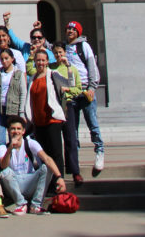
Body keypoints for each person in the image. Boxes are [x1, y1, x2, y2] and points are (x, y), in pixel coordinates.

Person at [0, 116, 65, 215]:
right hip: (14, 184)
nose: (16, 131)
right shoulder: (3, 148)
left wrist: (59, 177)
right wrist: (10, 148)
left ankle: (36, 205)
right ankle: (21, 204)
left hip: (30, 181)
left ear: (23, 131)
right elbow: (3, 165)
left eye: (18, 129)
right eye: (13, 129)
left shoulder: (30, 143)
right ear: (8, 131)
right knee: (5, 172)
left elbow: (47, 159)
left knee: (46, 168)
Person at [64, 20, 105, 175]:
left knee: (92, 123)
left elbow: (92, 66)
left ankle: (99, 151)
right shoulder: (64, 47)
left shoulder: (84, 46)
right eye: (68, 29)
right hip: (72, 93)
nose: (70, 31)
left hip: (85, 91)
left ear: (78, 32)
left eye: (73, 30)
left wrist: (92, 87)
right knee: (72, 129)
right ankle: (76, 158)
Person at [25, 49, 66, 182]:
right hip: (38, 122)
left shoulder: (53, 75)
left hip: (52, 120)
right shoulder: (32, 78)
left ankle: (59, 182)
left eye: (43, 60)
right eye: (38, 60)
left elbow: (69, 83)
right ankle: (48, 184)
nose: (40, 63)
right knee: (44, 155)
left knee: (56, 153)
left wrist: (68, 67)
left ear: (47, 61)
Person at [51, 42, 84, 184]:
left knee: (71, 138)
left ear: (65, 52)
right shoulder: (51, 68)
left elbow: (77, 88)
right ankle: (59, 173)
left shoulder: (72, 69)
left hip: (68, 105)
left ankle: (75, 171)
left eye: (60, 52)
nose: (59, 55)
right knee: (56, 141)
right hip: (55, 105)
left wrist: (68, 90)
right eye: (56, 53)